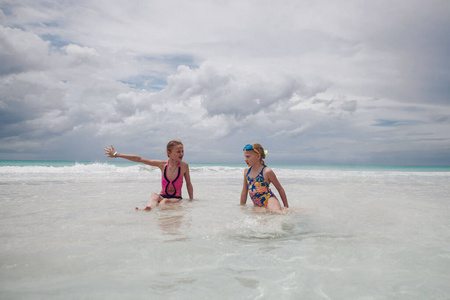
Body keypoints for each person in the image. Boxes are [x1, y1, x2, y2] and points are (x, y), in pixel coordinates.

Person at [104, 140, 194, 211]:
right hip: (163, 196)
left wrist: (191, 200)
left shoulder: (184, 166)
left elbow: (188, 184)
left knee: (165, 201)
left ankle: (156, 211)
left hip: (176, 198)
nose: (181, 154)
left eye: (182, 151)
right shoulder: (162, 165)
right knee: (154, 195)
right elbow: (139, 159)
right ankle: (149, 208)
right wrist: (117, 154)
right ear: (169, 153)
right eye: (178, 151)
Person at [240, 143, 289, 214]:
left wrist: (286, 207)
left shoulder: (267, 171)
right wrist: (242, 207)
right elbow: (244, 190)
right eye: (245, 157)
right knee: (260, 218)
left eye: (248, 157)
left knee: (278, 213)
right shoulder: (247, 171)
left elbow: (280, 189)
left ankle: (290, 212)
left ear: (258, 156)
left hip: (269, 199)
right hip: (257, 205)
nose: (245, 159)